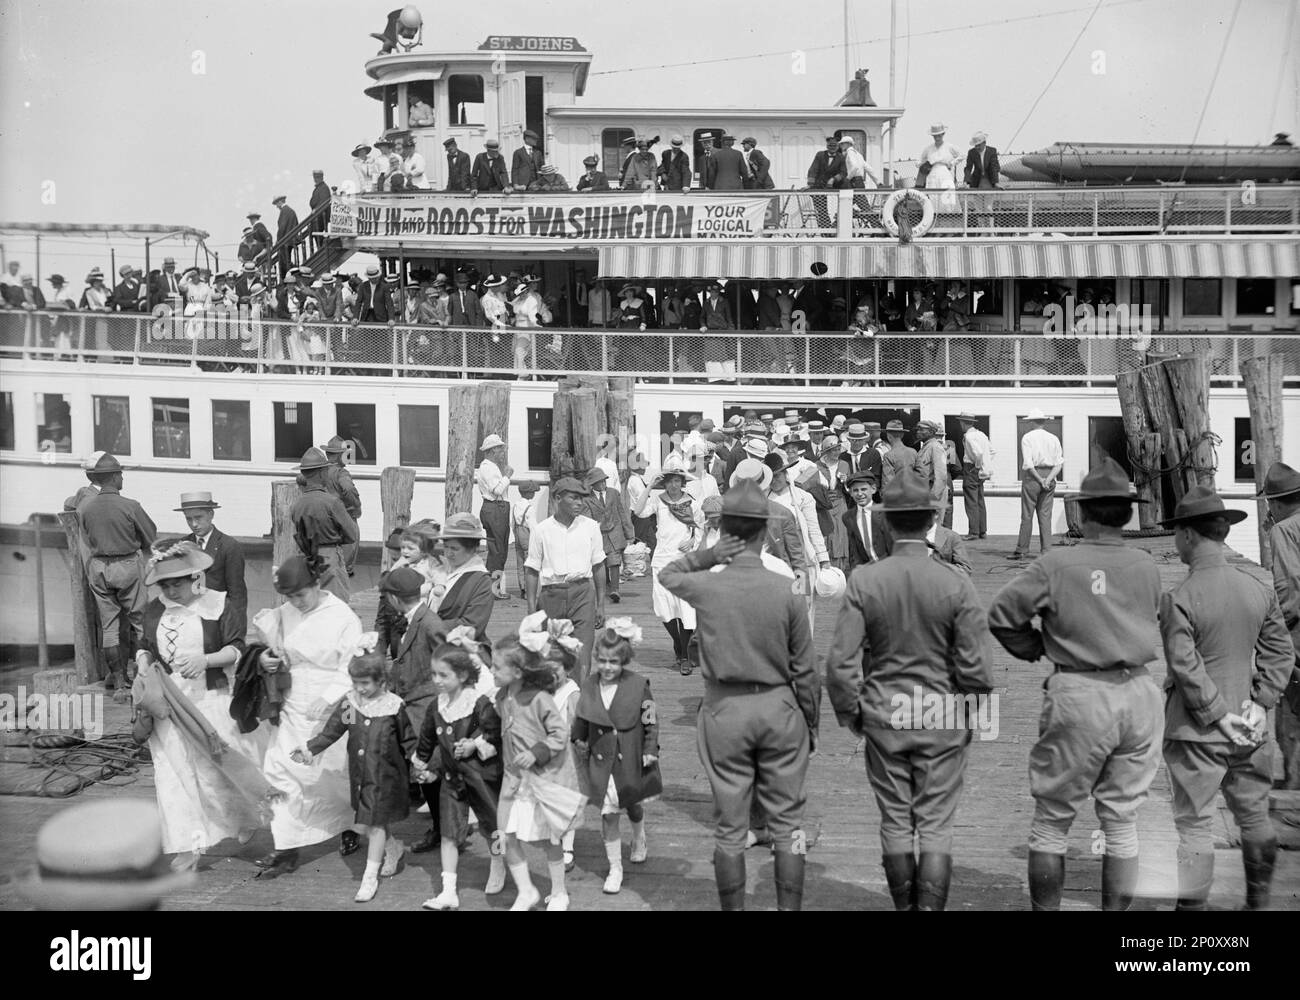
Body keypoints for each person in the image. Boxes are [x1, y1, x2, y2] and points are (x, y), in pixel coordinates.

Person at [987, 458, 1163, 912]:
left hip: (1080, 690)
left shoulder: (1056, 563)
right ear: (1127, 514)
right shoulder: (1146, 563)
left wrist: (1038, 647)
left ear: (1082, 513)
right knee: (1122, 821)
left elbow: (1002, 616)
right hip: (1140, 692)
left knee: (1051, 819)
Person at [825, 471, 993, 910]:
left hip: (885, 715)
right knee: (936, 825)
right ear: (929, 520)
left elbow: (841, 664)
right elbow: (977, 665)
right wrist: (970, 711)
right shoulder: (956, 582)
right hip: (943, 715)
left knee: (896, 822)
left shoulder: (865, 580)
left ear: (887, 523)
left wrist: (851, 714)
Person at [658, 481, 818, 911]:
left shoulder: (709, 585)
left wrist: (712, 553)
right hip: (778, 706)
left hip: (724, 709)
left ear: (727, 530)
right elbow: (805, 666)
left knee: (730, 829)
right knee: (787, 827)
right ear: (766, 531)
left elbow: (668, 574)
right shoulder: (787, 589)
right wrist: (811, 724)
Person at [1157, 487, 1294, 911]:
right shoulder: (1257, 588)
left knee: (1195, 826)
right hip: (1250, 728)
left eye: (1176, 533)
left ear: (1187, 535)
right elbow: (1280, 650)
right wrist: (1262, 701)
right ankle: (1257, 905)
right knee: (1253, 817)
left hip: (1196, 731)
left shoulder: (1179, 598)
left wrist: (1216, 717)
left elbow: (1185, 666)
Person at [131, 541, 270, 869]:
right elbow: (144, 645)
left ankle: (245, 819)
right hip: (169, 701)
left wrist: (206, 659)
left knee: (220, 769)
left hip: (211, 699)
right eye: (164, 585)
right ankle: (187, 845)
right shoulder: (156, 608)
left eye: (176, 584)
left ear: (195, 577)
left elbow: (237, 648)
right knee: (172, 772)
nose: (170, 591)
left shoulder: (219, 605)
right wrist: (141, 661)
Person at [251, 556, 364, 877]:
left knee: (328, 775)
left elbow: (351, 666)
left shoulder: (342, 617)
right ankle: (286, 846)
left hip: (330, 701)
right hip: (292, 699)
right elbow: (271, 645)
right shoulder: (286, 614)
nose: (295, 602)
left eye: (301, 595)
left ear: (317, 585)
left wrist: (329, 697)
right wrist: (266, 659)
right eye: (289, 597)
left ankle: (347, 825)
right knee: (279, 768)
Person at [293, 638, 416, 902]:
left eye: (366, 684)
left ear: (381, 682)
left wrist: (421, 760)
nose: (360, 689)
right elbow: (332, 731)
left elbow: (408, 739)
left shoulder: (394, 706)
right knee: (368, 824)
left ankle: (369, 878)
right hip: (361, 775)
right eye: (355, 683)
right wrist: (309, 749)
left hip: (387, 777)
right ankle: (393, 848)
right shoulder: (351, 705)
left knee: (375, 822)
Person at [492, 633, 587, 911]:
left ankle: (559, 892)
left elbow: (559, 734)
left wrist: (536, 751)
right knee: (505, 834)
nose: (491, 671)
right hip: (512, 780)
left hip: (542, 779)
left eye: (497, 667)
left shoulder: (539, 699)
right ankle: (526, 891)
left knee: (549, 838)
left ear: (518, 672)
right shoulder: (502, 696)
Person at [415, 639, 506, 909]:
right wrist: (421, 767)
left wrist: (474, 745)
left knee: (493, 826)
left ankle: (498, 862)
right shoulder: (436, 707)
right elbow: (426, 741)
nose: (437, 680)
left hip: (481, 776)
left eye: (444, 675)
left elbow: (492, 733)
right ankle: (448, 890)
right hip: (451, 780)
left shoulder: (478, 705)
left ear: (463, 675)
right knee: (449, 832)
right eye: (434, 674)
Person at [572, 620, 660, 895]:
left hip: (630, 754)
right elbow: (583, 716)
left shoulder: (638, 685)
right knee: (608, 814)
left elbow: (651, 721)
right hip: (600, 757)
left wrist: (649, 750)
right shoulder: (589, 685)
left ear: (624, 660)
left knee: (632, 804)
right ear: (596, 659)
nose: (608, 667)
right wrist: (578, 738)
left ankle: (638, 836)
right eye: (603, 661)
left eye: (614, 662)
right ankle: (615, 868)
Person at [78, 453, 157, 700]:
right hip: (126, 565)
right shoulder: (130, 506)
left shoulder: (86, 507)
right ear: (113, 477)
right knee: (140, 622)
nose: (122, 477)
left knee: (109, 628)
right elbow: (150, 535)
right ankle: (146, 677)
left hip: (99, 567)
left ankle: (120, 685)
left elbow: (87, 537)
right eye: (120, 473)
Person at [526, 477, 607, 682]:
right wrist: (530, 610)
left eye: (582, 499)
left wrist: (601, 605)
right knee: (551, 652)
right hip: (551, 594)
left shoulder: (590, 527)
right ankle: (555, 700)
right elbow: (532, 569)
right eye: (574, 498)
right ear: (558, 498)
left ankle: (577, 701)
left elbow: (598, 565)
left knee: (582, 651)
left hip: (582, 594)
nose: (580, 503)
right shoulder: (541, 530)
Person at [632, 457, 704, 675]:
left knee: (687, 610)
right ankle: (678, 643)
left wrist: (694, 540)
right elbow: (638, 511)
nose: (673, 485)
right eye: (670, 481)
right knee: (665, 610)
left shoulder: (693, 502)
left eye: (677, 481)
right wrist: (651, 486)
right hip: (662, 560)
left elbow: (701, 527)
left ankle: (683, 655)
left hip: (685, 561)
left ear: (682, 483)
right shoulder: (658, 500)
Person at [1257, 461, 1300, 788]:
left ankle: (1293, 794)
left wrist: (1275, 631)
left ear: (1275, 502)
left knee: (1291, 719)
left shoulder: (1283, 530)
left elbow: (1288, 585)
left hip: (1297, 636)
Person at [290, 447, 359, 604]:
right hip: (331, 557)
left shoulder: (296, 505)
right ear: (322, 472)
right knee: (337, 605)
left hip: (307, 559)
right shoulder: (332, 502)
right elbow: (351, 534)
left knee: (313, 607)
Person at [174, 490, 246, 630]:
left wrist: (237, 630)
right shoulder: (182, 545)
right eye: (188, 519)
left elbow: (237, 594)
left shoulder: (229, 546)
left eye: (198, 517)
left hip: (217, 620)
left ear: (211, 514)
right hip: (188, 621)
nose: (194, 524)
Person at [1011, 408, 1063, 560]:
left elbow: (1028, 463)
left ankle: (1022, 550)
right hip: (1050, 475)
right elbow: (1059, 463)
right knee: (1045, 515)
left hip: (1033, 477)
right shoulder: (1054, 438)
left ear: (1032, 422)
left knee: (1027, 514)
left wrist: (1040, 480)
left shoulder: (1027, 438)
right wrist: (1048, 479)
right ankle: (1046, 550)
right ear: (1043, 422)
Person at [585, 467, 635, 605]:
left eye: (604, 481)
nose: (602, 484)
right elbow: (586, 517)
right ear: (592, 484)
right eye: (599, 482)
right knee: (602, 561)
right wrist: (594, 526)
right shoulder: (587, 499)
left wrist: (629, 533)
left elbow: (622, 512)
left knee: (614, 560)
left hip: (615, 531)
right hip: (599, 534)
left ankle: (615, 590)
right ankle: (606, 586)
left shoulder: (613, 493)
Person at [475, 433, 512, 593]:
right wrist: (507, 476)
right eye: (499, 449)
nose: (502, 452)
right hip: (496, 508)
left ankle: (492, 588)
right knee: (498, 550)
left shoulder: (489, 467)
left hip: (495, 508)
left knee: (497, 549)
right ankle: (493, 589)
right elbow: (497, 490)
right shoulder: (488, 468)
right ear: (491, 451)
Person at [957, 413, 992, 540]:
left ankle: (973, 532)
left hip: (971, 468)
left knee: (971, 501)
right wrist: (984, 465)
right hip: (980, 471)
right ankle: (982, 531)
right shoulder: (982, 434)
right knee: (980, 500)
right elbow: (992, 451)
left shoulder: (969, 436)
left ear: (963, 423)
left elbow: (979, 453)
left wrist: (976, 466)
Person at [843, 468, 887, 569]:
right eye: (855, 490)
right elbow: (854, 550)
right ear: (850, 493)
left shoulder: (885, 513)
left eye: (863, 489)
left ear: (873, 489)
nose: (859, 494)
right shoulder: (848, 517)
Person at [913, 420, 952, 528]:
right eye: (918, 429)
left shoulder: (936, 447)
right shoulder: (926, 447)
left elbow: (941, 477)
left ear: (931, 432)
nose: (918, 432)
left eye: (921, 429)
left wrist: (933, 499)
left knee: (934, 531)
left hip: (934, 494)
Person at [918, 124, 961, 213]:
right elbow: (921, 160)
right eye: (935, 135)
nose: (937, 137)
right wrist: (921, 165)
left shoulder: (949, 146)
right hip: (932, 173)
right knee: (933, 196)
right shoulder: (928, 148)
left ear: (943, 134)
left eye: (939, 135)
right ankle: (933, 216)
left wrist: (952, 163)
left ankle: (950, 216)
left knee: (947, 196)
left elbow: (961, 155)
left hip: (945, 172)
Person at [838, 422, 882, 501]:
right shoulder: (843, 457)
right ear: (849, 439)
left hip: (869, 498)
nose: (857, 443)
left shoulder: (873, 454)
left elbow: (876, 478)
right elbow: (841, 480)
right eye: (854, 440)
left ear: (865, 439)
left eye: (860, 440)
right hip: (849, 499)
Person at [513, 481, 540, 598]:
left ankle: (522, 588)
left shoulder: (515, 505)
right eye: (533, 492)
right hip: (527, 535)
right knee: (529, 563)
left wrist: (515, 535)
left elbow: (512, 523)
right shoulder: (529, 508)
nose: (534, 494)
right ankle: (529, 590)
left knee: (520, 563)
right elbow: (533, 526)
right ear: (528, 493)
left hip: (518, 534)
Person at [272, 195, 300, 278]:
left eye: (276, 204)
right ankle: (291, 273)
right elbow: (296, 224)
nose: (276, 207)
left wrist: (278, 240)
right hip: (291, 240)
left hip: (285, 241)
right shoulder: (291, 211)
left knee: (285, 261)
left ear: (280, 202)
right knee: (287, 260)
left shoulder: (284, 211)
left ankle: (288, 276)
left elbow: (282, 227)